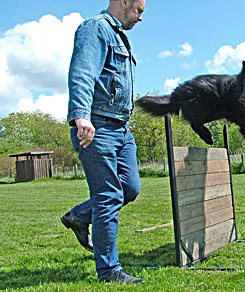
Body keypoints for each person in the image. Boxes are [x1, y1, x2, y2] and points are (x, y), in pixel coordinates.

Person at [61, 0, 145, 284]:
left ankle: (79, 215)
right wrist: (81, 116)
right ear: (124, 1)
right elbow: (82, 72)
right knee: (108, 196)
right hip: (97, 126)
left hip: (121, 127)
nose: (140, 18)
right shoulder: (95, 29)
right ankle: (109, 271)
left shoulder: (119, 36)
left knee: (130, 188)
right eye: (139, 10)